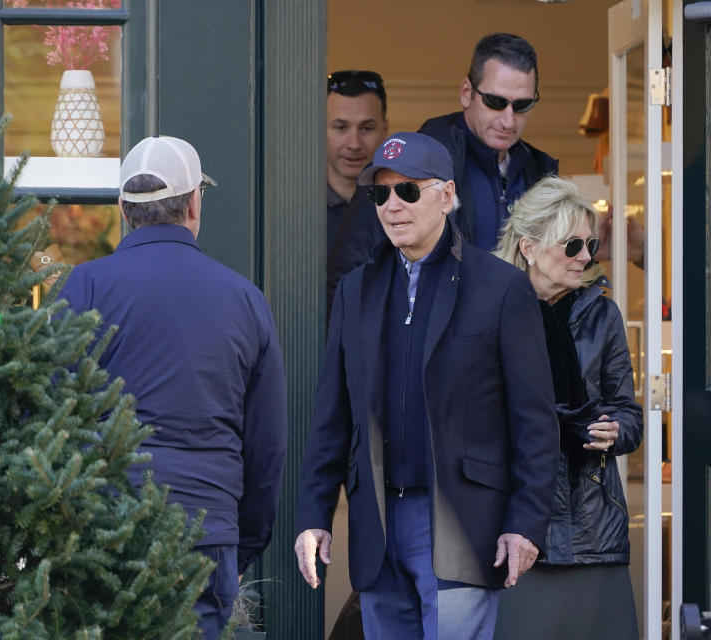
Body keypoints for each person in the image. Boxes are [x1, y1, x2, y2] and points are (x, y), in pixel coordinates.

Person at [294, 131, 559, 639]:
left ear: (446, 194)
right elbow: (332, 416)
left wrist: (525, 523)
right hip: (377, 525)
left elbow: (535, 422)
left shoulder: (501, 288)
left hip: (462, 525)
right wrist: (314, 515)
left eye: (407, 191)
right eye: (380, 194)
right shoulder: (356, 290)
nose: (392, 205)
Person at [57, 135, 288, 639]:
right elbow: (266, 447)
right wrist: (242, 545)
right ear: (193, 203)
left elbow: (49, 418)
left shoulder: (82, 288)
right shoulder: (244, 299)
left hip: (104, 527)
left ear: (122, 207)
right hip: (205, 533)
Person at [492, 176, 642, 639]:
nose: (586, 256)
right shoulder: (488, 311)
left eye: (591, 244)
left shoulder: (603, 314)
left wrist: (616, 429)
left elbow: (629, 412)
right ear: (530, 247)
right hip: (514, 524)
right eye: (572, 244)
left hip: (593, 525)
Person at [326, 33, 557, 319]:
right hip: (433, 353)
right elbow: (349, 277)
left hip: (518, 346)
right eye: (496, 102)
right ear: (466, 93)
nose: (508, 120)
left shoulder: (539, 171)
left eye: (521, 105)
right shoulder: (413, 159)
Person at [326, 69, 388, 253]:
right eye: (340, 127)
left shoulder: (402, 205)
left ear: (385, 130)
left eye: (367, 128)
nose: (354, 144)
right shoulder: (299, 207)